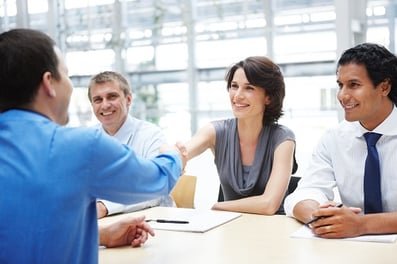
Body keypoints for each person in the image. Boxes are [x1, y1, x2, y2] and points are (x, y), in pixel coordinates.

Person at [0, 28, 185, 263]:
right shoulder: (81, 147)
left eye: (111, 97)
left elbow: (23, 228)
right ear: (49, 83)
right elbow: (159, 178)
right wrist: (174, 155)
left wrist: (100, 235)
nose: (104, 105)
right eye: (66, 75)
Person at [284, 43, 397, 239]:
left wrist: (361, 224)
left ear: (384, 87)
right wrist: (322, 218)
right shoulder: (334, 137)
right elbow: (306, 192)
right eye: (340, 85)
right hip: (351, 248)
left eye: (354, 85)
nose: (342, 96)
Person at [177, 56, 297, 215]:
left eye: (249, 88)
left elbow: (268, 204)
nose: (237, 95)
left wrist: (219, 206)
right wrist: (174, 155)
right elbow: (184, 152)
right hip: (230, 229)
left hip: (273, 231)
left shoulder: (283, 139)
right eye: (234, 86)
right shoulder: (216, 131)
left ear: (268, 97)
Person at [87, 71, 174, 219]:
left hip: (153, 222)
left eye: (112, 97)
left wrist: (104, 206)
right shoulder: (87, 139)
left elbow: (154, 189)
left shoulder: (151, 135)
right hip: (103, 223)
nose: (105, 105)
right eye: (98, 100)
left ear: (128, 99)